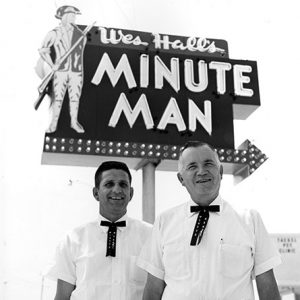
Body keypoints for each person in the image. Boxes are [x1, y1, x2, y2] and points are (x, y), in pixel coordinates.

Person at [138, 141, 281, 300]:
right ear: (181, 179)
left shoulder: (250, 220)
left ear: (220, 171)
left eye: (208, 163)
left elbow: (267, 288)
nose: (201, 171)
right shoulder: (164, 222)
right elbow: (153, 289)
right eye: (192, 166)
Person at [46, 161, 152, 300]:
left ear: (131, 193)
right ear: (96, 193)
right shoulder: (72, 240)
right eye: (109, 184)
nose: (117, 190)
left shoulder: (151, 236)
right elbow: (62, 296)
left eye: (123, 184)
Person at [36, 5, 86, 133]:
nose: (73, 18)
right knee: (58, 98)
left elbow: (80, 53)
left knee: (75, 98)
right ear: (64, 16)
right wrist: (52, 64)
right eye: (71, 15)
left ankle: (74, 122)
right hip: (60, 71)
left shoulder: (80, 35)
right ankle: (54, 125)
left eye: (74, 15)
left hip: (76, 71)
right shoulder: (54, 33)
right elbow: (43, 51)